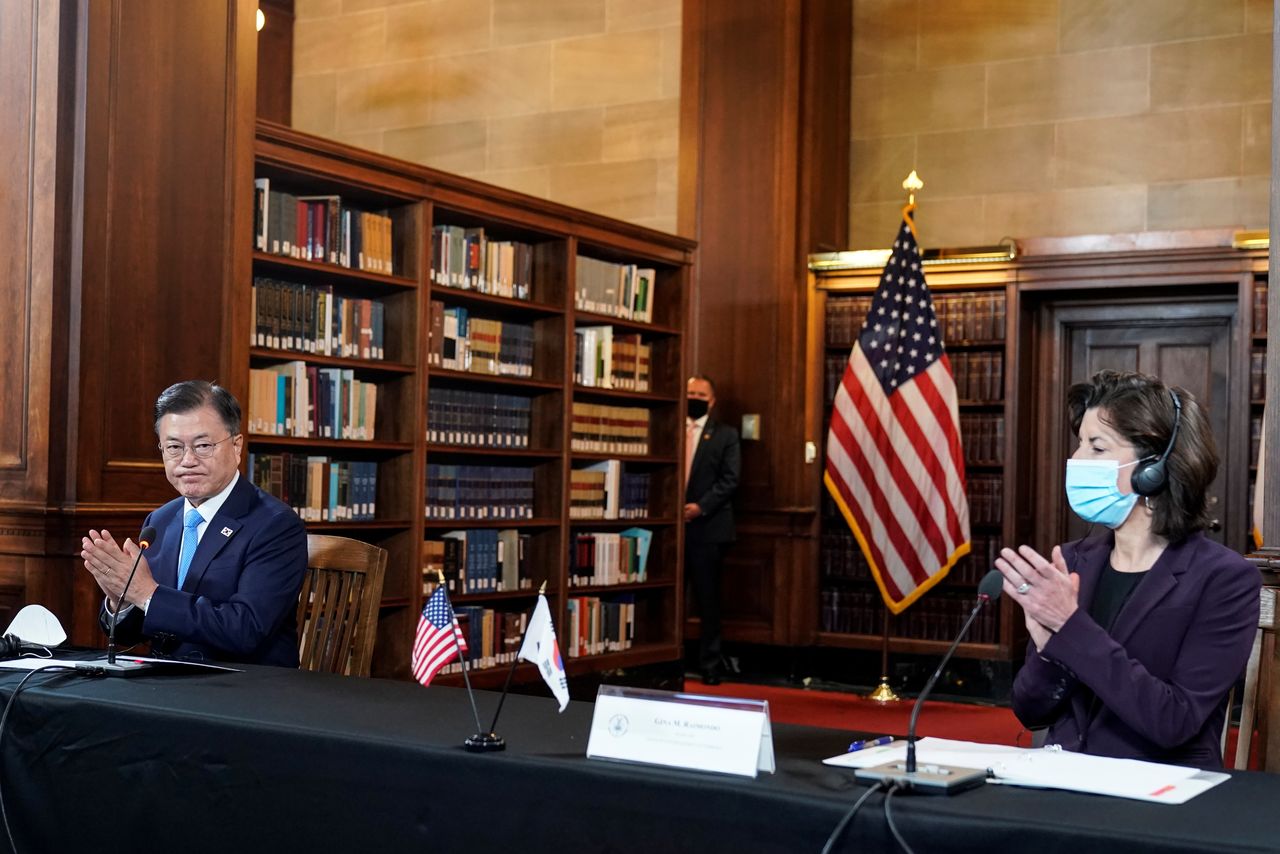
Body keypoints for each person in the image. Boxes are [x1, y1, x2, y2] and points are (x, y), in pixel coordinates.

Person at [998, 370, 1260, 767]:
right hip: (1064, 782)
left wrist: (1070, 629)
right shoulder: (1071, 563)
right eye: (1079, 444)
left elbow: (1174, 720)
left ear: (1152, 470)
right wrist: (1049, 653)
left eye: (1097, 448)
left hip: (1163, 794)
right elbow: (1031, 713)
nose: (1076, 460)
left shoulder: (1225, 578)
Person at [80, 381, 308, 667]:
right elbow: (134, 633)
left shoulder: (275, 525)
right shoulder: (160, 521)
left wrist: (147, 594)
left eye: (203, 446)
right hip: (165, 686)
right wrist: (122, 600)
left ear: (236, 446)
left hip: (243, 690)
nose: (187, 460)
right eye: (174, 447)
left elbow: (247, 629)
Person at [684, 374, 740, 685]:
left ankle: (709, 665)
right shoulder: (670, 428)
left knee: (708, 601)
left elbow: (730, 480)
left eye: (700, 394)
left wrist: (700, 507)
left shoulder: (725, 435)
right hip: (672, 529)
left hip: (708, 527)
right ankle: (669, 660)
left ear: (712, 400)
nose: (694, 397)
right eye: (690, 392)